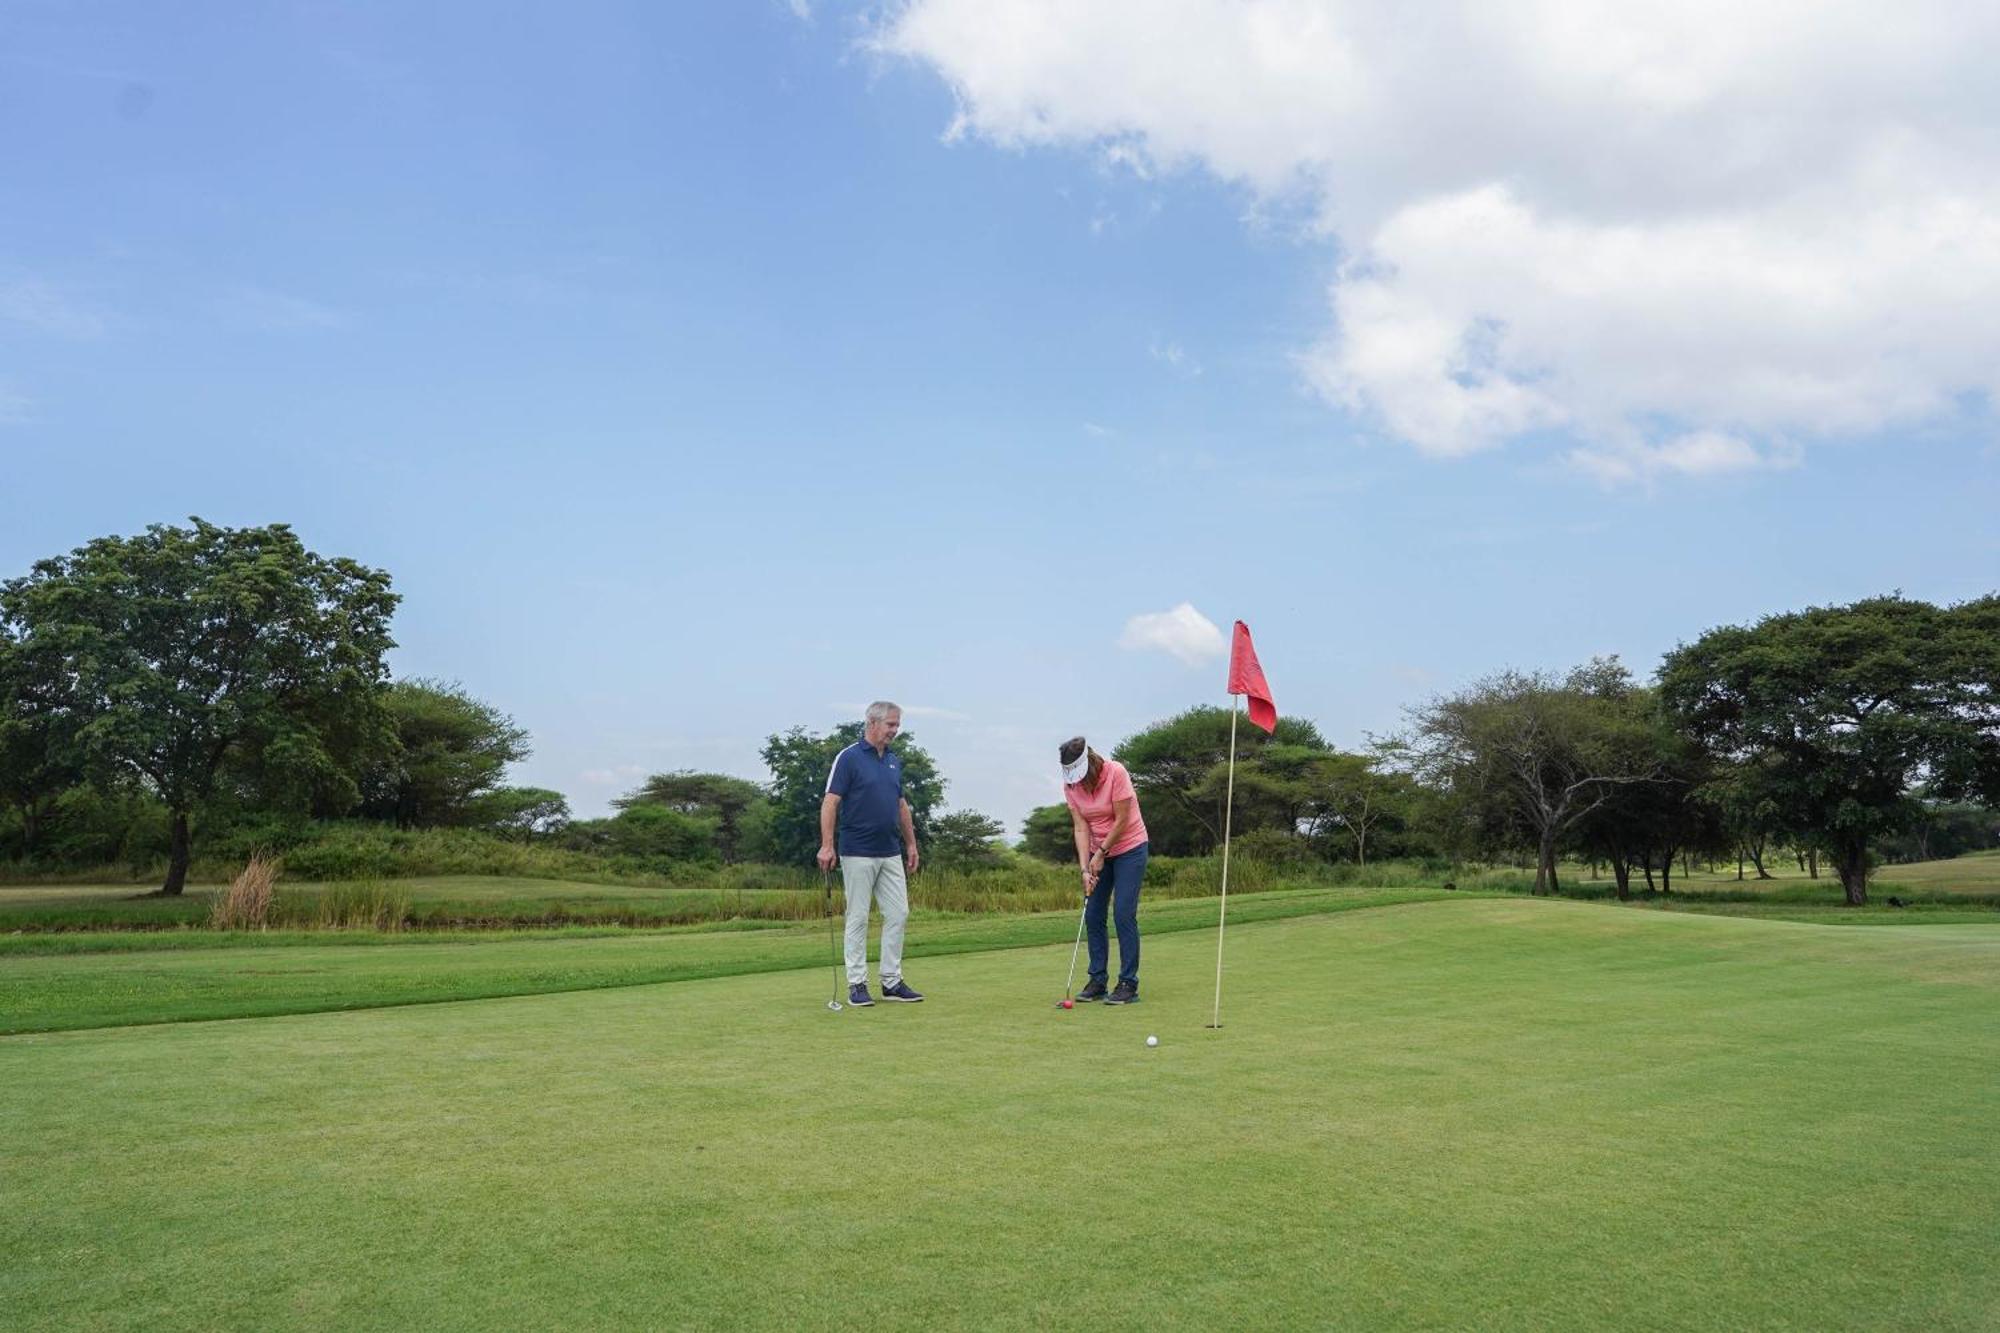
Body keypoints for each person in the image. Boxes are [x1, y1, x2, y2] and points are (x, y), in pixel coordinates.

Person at [818, 701, 924, 1007]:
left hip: (889, 850)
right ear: (872, 723)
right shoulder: (849, 758)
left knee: (898, 913)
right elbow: (830, 802)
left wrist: (911, 844)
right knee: (859, 916)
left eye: (897, 725)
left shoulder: (893, 760)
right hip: (857, 850)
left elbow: (900, 804)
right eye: (891, 724)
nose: (895, 730)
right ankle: (857, 984)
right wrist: (827, 845)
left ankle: (891, 981)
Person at [1060, 736, 1149, 1005]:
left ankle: (1127, 983)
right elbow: (1080, 827)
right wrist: (1084, 868)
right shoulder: (1070, 785)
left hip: (1130, 847)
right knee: (1094, 914)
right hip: (1097, 853)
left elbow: (1122, 819)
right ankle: (1098, 980)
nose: (1076, 781)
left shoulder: (1115, 772)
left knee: (1123, 913)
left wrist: (1101, 853)